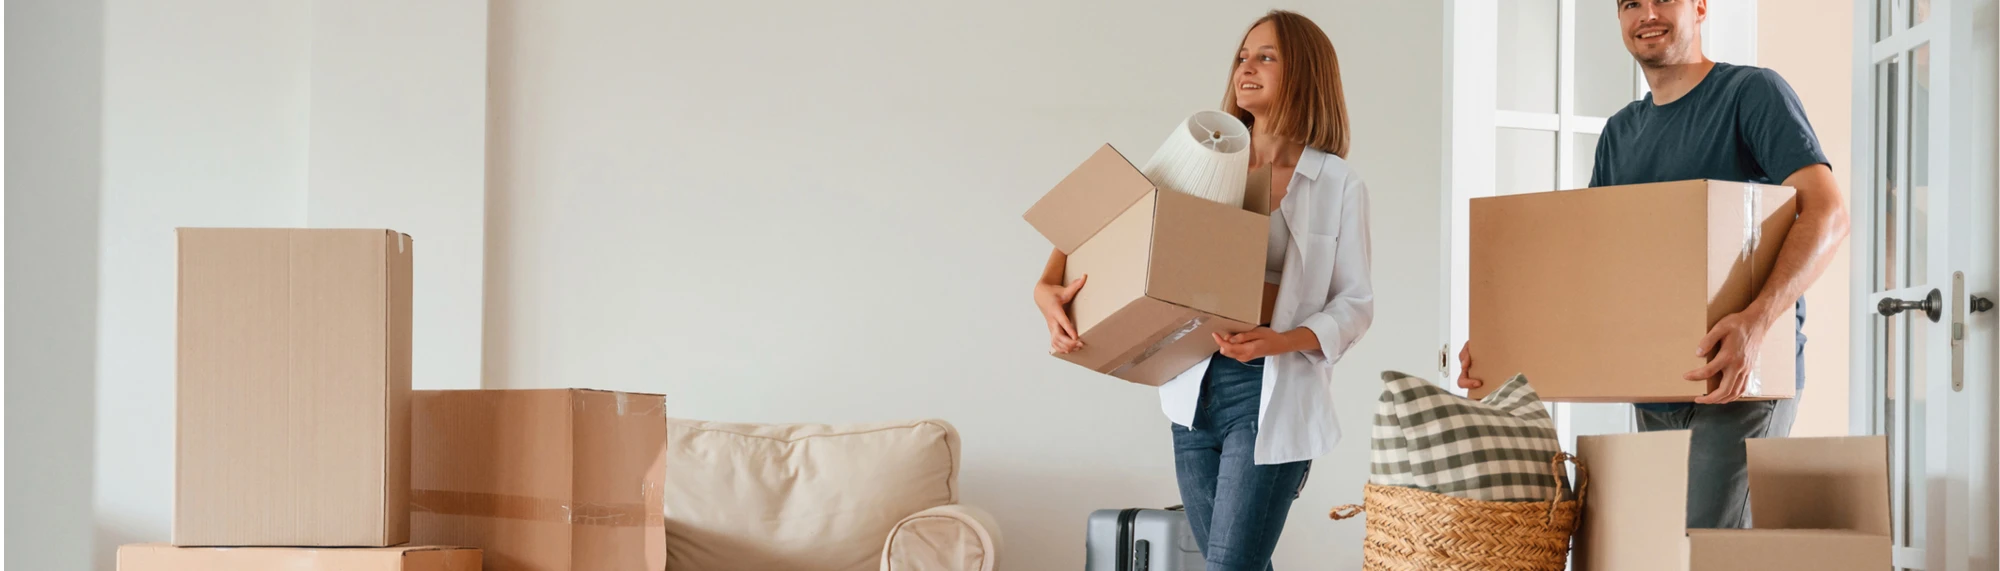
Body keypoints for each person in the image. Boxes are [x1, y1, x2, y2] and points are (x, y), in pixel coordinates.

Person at [1457, 0, 1850, 530]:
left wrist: (1756, 323)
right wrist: (1503, 341)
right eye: (1631, 4)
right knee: (1666, 549)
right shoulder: (1620, 133)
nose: (1648, 14)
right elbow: (1593, 265)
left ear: (1700, 8)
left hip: (1738, 377)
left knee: (1702, 545)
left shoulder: (1751, 94)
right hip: (1655, 380)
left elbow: (1827, 212)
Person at [1033, 10, 1374, 569]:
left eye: (1266, 56)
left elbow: (1356, 303)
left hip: (1269, 393)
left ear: (1306, 73)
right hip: (1192, 390)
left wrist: (1279, 342)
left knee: (1228, 566)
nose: (1247, 67)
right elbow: (1106, 224)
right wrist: (1047, 288)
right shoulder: (1207, 155)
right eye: (1243, 55)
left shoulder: (1337, 183)